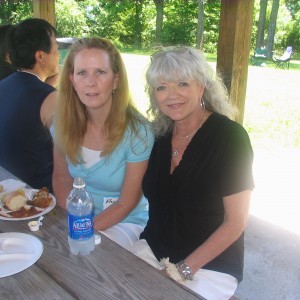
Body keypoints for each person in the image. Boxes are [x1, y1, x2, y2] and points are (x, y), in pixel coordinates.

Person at [131, 46, 254, 300]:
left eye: (183, 83)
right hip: (154, 249)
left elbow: (236, 223)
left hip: (210, 264)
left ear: (203, 86)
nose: (171, 95)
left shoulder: (230, 137)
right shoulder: (157, 135)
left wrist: (182, 270)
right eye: (161, 87)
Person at [53, 37, 154, 251]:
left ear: (116, 80)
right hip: (77, 217)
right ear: (71, 79)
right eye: (82, 73)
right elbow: (61, 178)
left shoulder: (138, 132)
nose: (91, 82)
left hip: (124, 221)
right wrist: (72, 221)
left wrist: (82, 230)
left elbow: (126, 203)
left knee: (91, 260)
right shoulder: (61, 124)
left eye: (100, 72)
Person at [0, 18, 59, 192]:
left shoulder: (3, 85)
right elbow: (74, 151)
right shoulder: (49, 97)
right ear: (40, 56)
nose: (58, 55)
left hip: (7, 183)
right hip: (41, 194)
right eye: (56, 48)